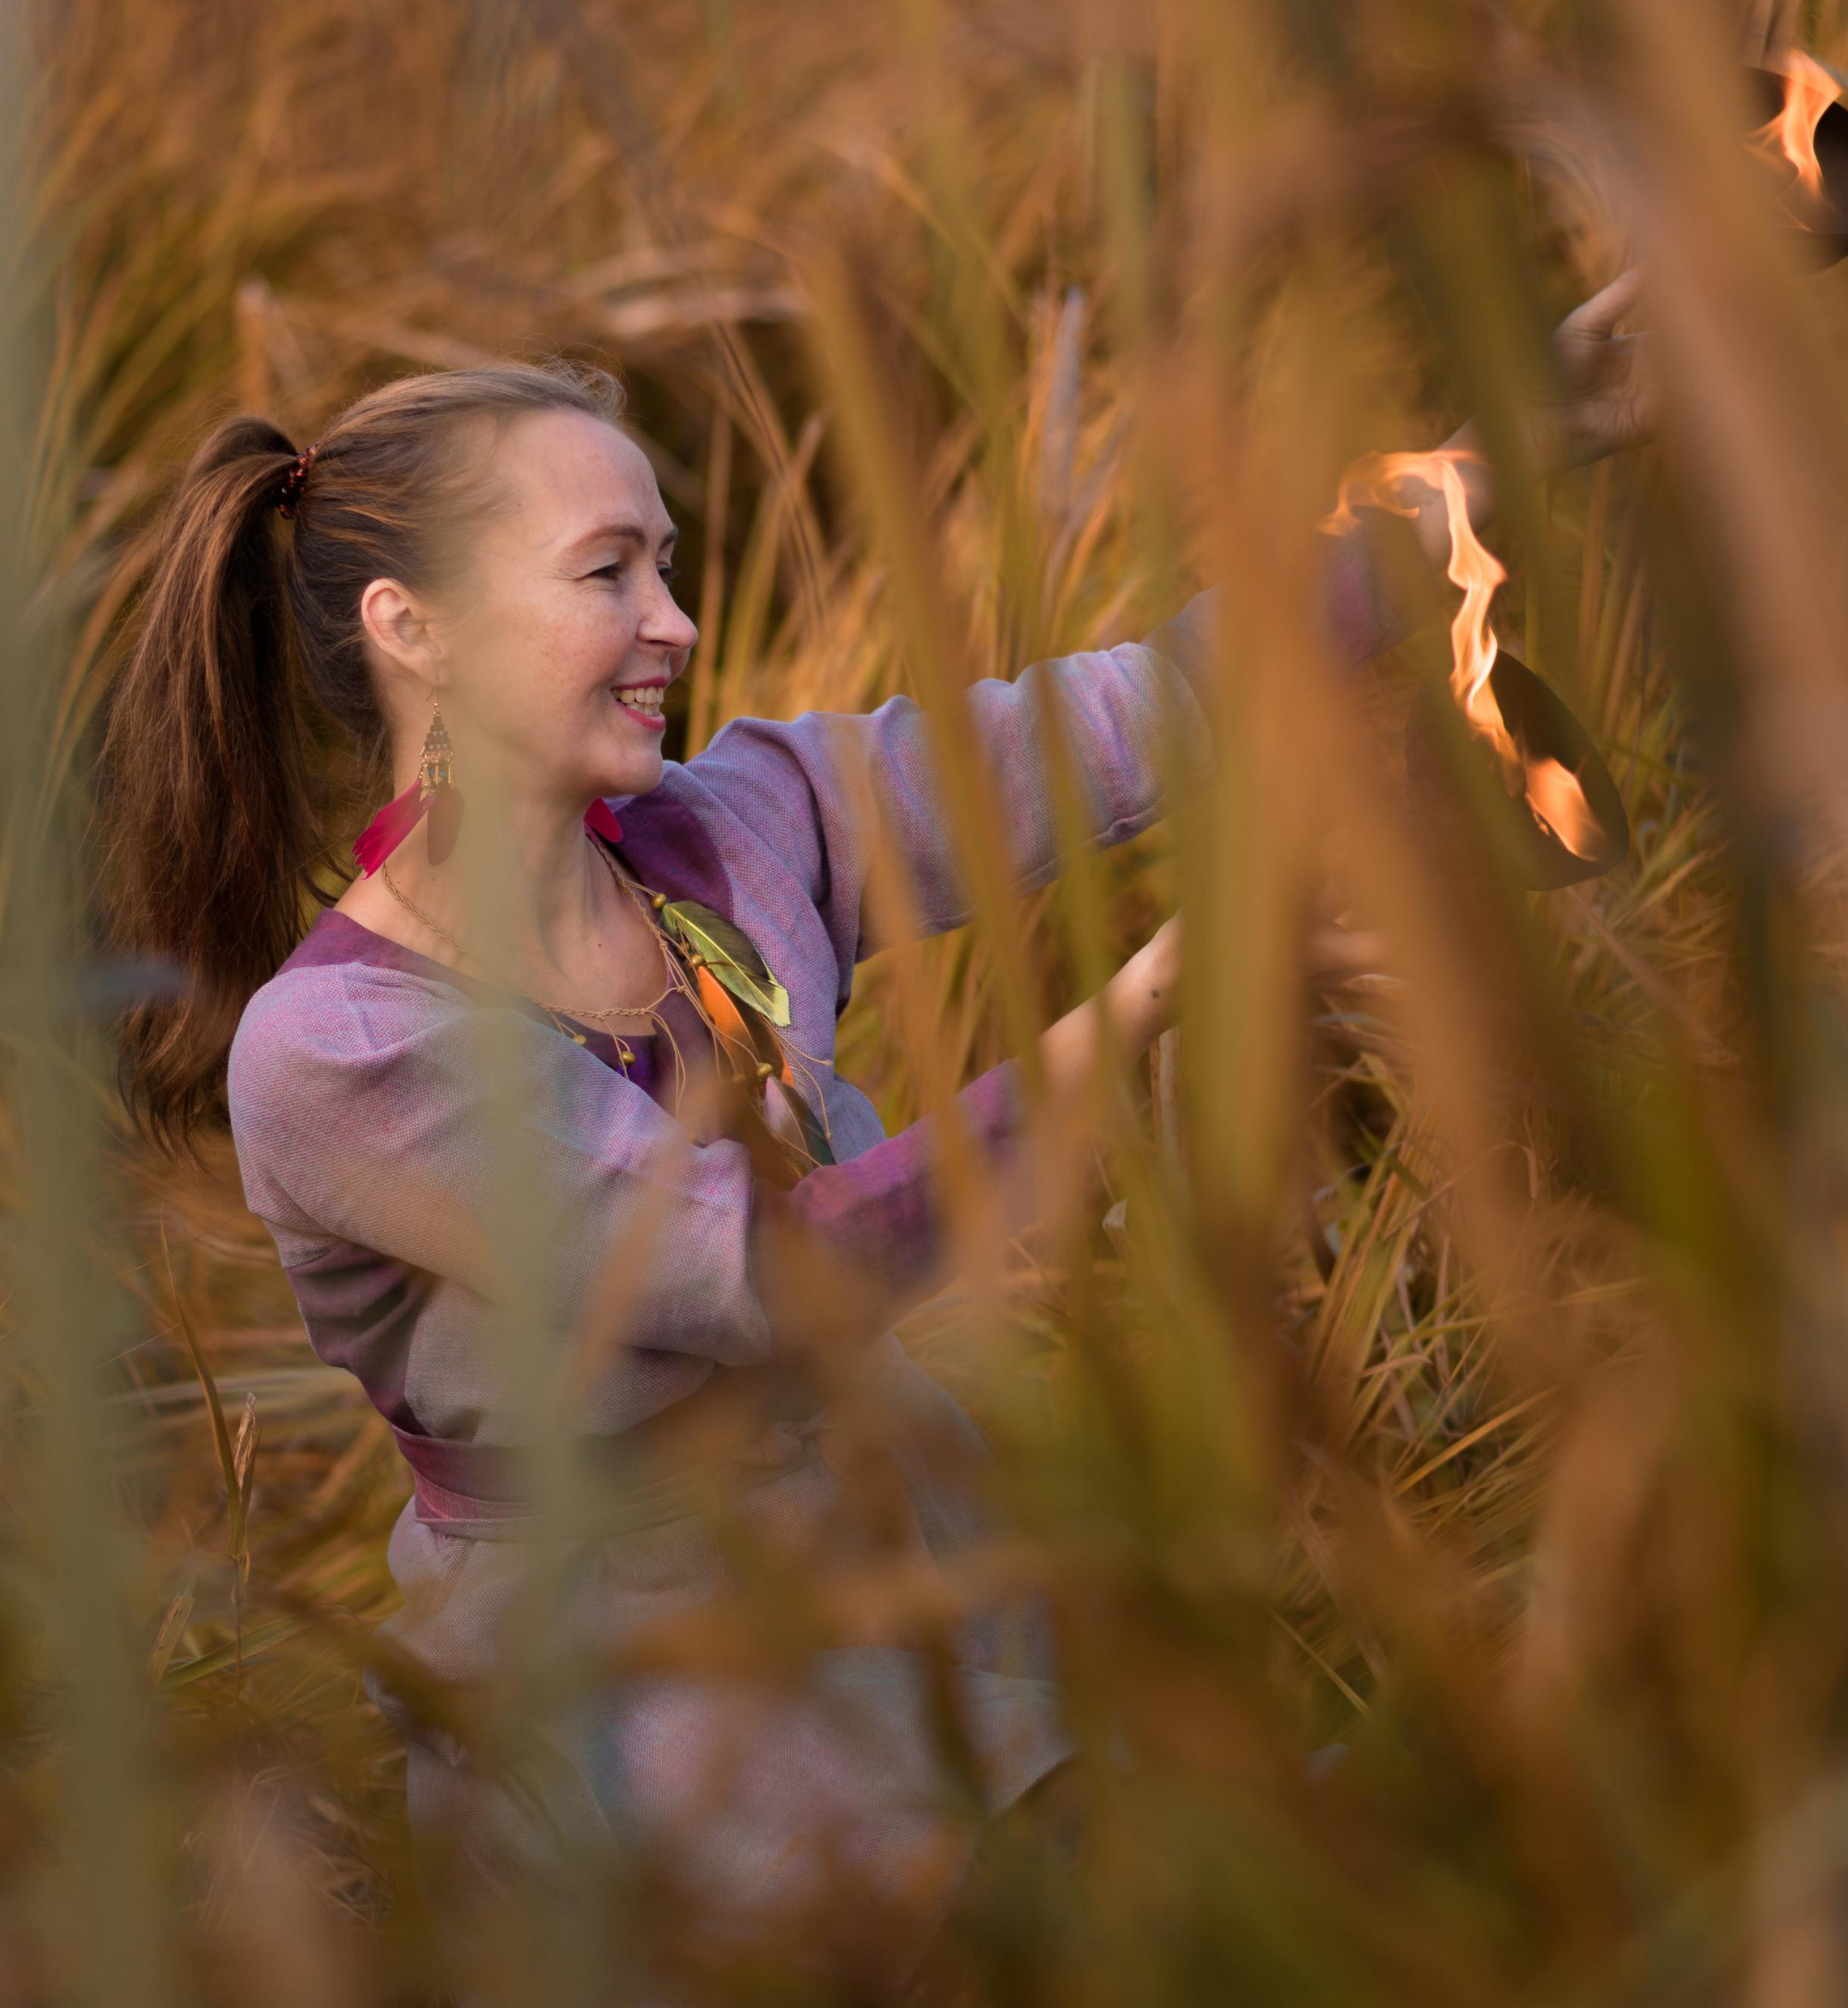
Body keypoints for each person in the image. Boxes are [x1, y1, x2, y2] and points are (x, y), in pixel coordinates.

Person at [97, 281, 1651, 1992]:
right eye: (606, 570)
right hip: (647, 1690)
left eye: (671, 563)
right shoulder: (339, 1048)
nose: (674, 619)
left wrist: (1504, 448)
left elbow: (1151, 710)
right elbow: (772, 1269)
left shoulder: (733, 826)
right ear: (417, 627)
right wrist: (1144, 1002)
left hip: (903, 1544)